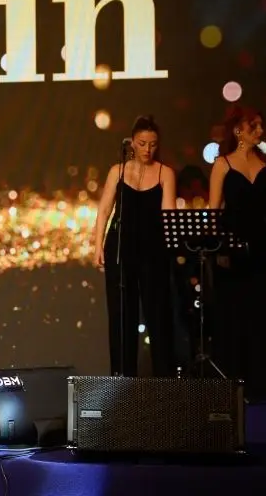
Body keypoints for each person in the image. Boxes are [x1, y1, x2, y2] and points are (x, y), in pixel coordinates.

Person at [208, 106, 266, 401]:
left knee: (263, 313)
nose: (259, 131)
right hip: (233, 246)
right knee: (235, 314)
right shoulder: (223, 164)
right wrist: (217, 246)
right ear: (238, 131)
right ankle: (234, 382)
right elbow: (215, 208)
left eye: (260, 125)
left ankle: (262, 381)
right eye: (253, 126)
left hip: (264, 244)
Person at [93, 115, 178, 377]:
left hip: (154, 251)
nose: (147, 150)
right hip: (120, 248)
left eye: (152, 144)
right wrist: (97, 245)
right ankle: (122, 379)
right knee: (121, 316)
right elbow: (104, 210)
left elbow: (169, 215)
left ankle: (164, 381)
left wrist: (173, 249)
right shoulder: (117, 171)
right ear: (132, 142)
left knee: (158, 314)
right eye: (142, 144)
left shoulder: (165, 173)